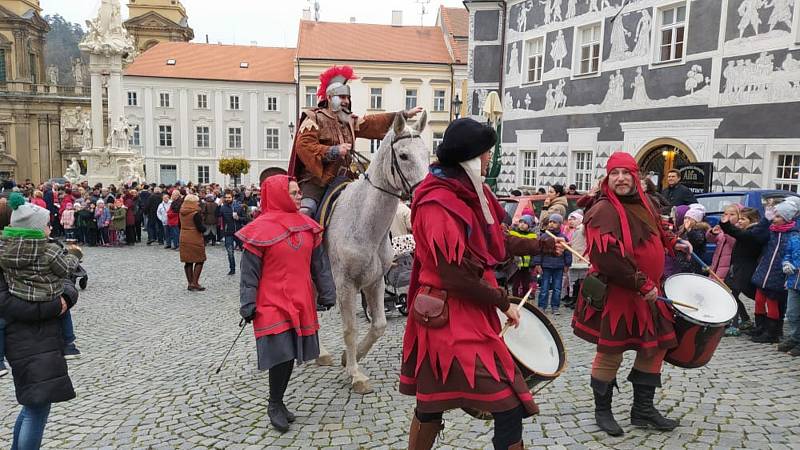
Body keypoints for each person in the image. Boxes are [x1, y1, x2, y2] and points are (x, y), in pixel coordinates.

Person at [399, 118, 564, 450]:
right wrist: (503, 301)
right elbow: (454, 275)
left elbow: (496, 241)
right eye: (486, 154)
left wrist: (541, 244)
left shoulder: (473, 193)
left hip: (472, 309)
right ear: (471, 157)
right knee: (441, 404)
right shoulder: (437, 202)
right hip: (446, 316)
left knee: (503, 407)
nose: (489, 160)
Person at [572, 152, 692, 437]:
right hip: (620, 294)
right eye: (615, 174)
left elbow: (654, 232)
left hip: (647, 291)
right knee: (610, 353)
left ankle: (642, 410)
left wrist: (674, 243)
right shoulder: (602, 210)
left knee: (657, 347)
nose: (621, 179)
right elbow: (607, 259)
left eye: (627, 173)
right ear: (607, 178)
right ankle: (603, 411)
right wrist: (642, 284)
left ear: (637, 177)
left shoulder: (646, 202)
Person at [288, 64, 423, 308]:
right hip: (317, 182)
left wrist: (402, 115)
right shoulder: (313, 119)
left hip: (344, 179)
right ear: (329, 98)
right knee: (305, 214)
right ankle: (302, 272)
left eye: (349, 97)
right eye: (342, 97)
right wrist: (332, 151)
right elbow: (304, 146)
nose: (347, 101)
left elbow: (374, 123)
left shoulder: (349, 121)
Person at [237, 175, 324, 433]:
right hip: (271, 301)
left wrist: (327, 293)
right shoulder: (259, 229)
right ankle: (274, 404)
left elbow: (318, 265)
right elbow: (249, 272)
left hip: (300, 298)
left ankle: (279, 401)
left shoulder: (308, 226)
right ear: (278, 195)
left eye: (299, 192)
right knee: (280, 353)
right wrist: (247, 303)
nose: (300, 196)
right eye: (295, 192)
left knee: (290, 354)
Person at [748, 198, 800, 343]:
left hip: (779, 273)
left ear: (786, 218)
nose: (774, 219)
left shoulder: (792, 234)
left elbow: (793, 254)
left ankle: (772, 332)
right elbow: (756, 235)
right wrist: (766, 219)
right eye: (775, 216)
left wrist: (788, 265)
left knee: (772, 302)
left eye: (778, 217)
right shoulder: (771, 231)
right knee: (759, 300)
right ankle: (761, 327)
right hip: (764, 270)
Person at [720, 207, 763, 334]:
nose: (739, 222)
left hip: (745, 270)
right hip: (736, 268)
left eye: (742, 219)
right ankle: (744, 320)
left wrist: (725, 224)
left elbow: (736, 234)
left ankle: (736, 324)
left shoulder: (752, 233)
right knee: (730, 293)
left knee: (735, 294)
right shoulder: (747, 231)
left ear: (753, 220)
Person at [706, 205, 740, 334]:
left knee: (728, 295)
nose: (728, 217)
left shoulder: (737, 231)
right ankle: (717, 319)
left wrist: (727, 230)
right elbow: (711, 239)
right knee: (715, 293)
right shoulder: (722, 231)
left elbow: (734, 243)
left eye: (732, 215)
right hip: (716, 266)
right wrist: (712, 232)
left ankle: (733, 323)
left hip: (727, 268)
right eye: (726, 214)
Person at [533, 214, 572, 315]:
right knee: (544, 288)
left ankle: (555, 307)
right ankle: (542, 306)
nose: (551, 224)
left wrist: (567, 264)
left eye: (554, 222)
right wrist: (537, 264)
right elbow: (538, 251)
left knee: (557, 288)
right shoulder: (544, 237)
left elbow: (567, 252)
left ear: (560, 224)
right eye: (550, 222)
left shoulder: (563, 238)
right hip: (546, 266)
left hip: (558, 267)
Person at [179, 194, 207, 291]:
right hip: (194, 238)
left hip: (184, 237)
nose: (198, 203)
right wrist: (205, 228)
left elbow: (179, 224)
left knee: (188, 261)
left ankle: (190, 283)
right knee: (200, 260)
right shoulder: (195, 214)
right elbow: (200, 228)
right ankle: (195, 282)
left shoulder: (181, 212)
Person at [508, 215, 537, 297]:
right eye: (520, 222)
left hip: (527, 264)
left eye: (525, 223)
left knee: (525, 284)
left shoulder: (532, 236)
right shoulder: (514, 233)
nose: (522, 224)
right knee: (515, 283)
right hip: (516, 263)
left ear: (529, 225)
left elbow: (533, 250)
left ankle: (524, 299)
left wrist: (533, 263)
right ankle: (515, 298)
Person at [564, 210, 588, 308]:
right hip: (575, 257)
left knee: (581, 279)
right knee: (576, 280)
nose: (571, 221)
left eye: (573, 219)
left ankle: (579, 301)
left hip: (582, 257)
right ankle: (574, 299)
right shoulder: (576, 230)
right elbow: (575, 242)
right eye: (569, 219)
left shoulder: (582, 229)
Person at [218, 191, 239, 275]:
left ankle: (247, 269)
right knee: (230, 252)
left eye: (229, 197)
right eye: (226, 197)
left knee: (245, 252)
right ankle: (232, 269)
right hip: (228, 232)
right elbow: (217, 215)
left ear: (232, 198)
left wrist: (238, 218)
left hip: (239, 232)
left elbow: (246, 218)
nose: (227, 199)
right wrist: (218, 206)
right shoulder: (223, 208)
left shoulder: (237, 206)